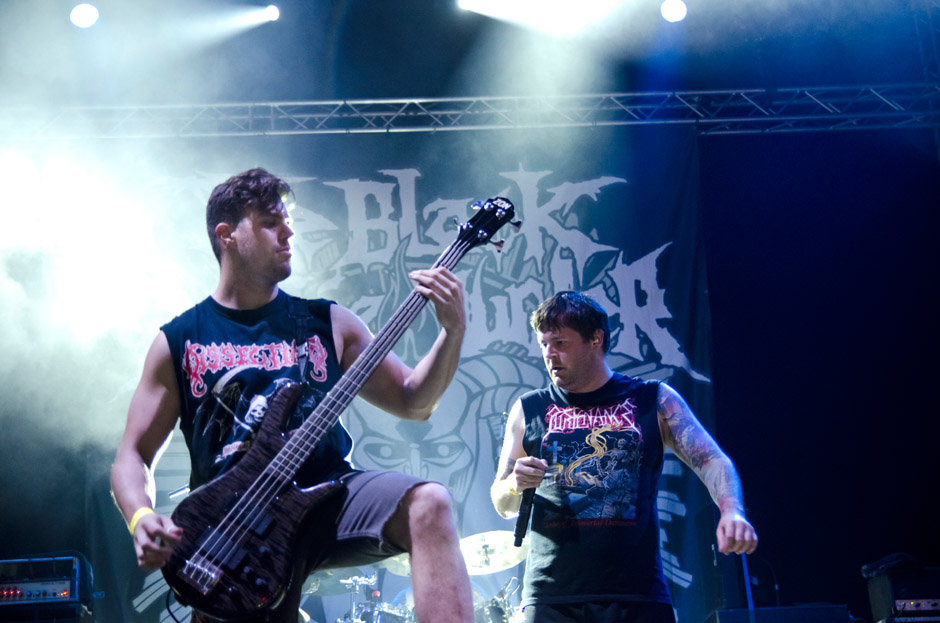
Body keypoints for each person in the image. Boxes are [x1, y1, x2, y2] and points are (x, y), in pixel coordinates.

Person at [110, 168, 474, 623]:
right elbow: (132, 454)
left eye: (288, 220)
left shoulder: (329, 323)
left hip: (326, 500)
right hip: (235, 532)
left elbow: (413, 401)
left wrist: (452, 331)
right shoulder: (180, 339)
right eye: (269, 222)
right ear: (227, 235)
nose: (289, 231)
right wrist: (140, 516)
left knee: (430, 503)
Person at [490, 291, 758, 623]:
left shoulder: (653, 399)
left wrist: (732, 511)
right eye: (544, 344)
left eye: (560, 343)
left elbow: (712, 459)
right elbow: (502, 504)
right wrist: (515, 484)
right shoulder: (529, 407)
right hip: (551, 598)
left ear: (595, 339)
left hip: (636, 595)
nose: (550, 355)